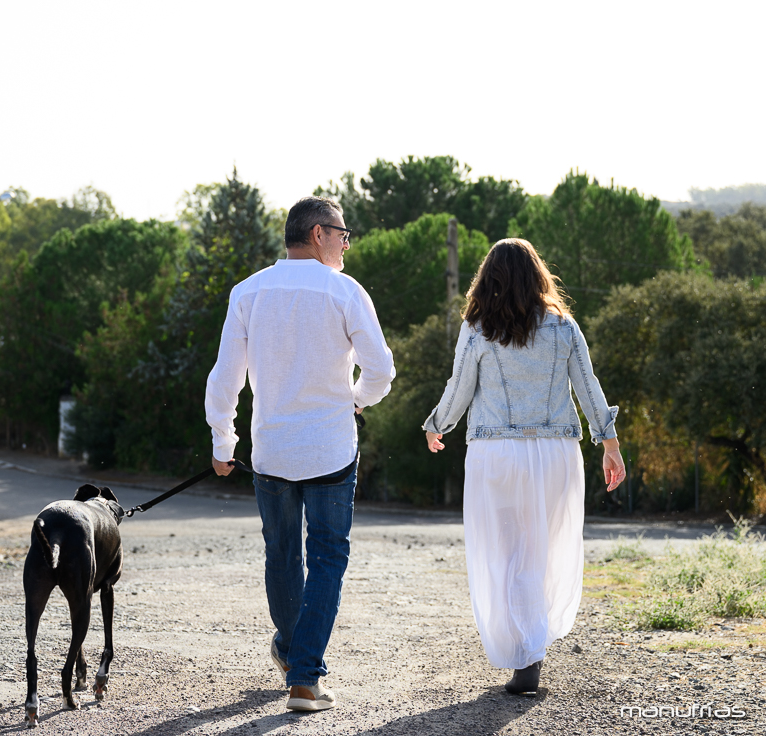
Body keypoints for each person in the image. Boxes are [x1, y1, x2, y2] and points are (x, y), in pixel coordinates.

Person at [206, 196, 394, 712]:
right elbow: (380, 372)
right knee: (329, 557)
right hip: (331, 449)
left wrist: (224, 441)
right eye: (342, 233)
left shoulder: (248, 292)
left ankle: (292, 654)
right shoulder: (345, 292)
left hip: (271, 452)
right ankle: (305, 677)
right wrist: (355, 401)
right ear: (318, 234)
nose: (346, 243)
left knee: (282, 555)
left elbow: (226, 376)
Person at [423, 238, 626, 694]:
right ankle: (532, 647)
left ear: (487, 277)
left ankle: (525, 653)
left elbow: (459, 387)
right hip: (556, 454)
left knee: (508, 551)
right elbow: (588, 388)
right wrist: (609, 444)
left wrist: (437, 424)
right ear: (539, 275)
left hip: (498, 456)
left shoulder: (477, 328)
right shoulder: (564, 327)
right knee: (543, 549)